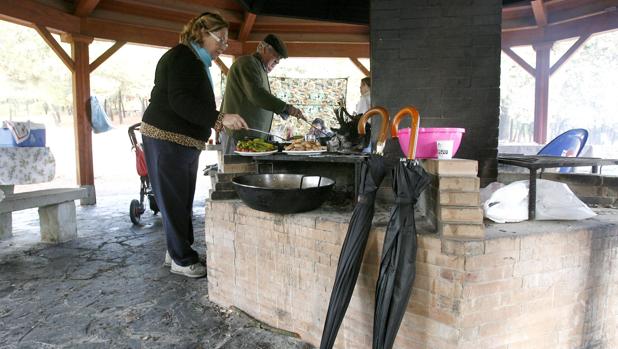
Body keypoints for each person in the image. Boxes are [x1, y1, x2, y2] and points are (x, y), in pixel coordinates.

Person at [140, 12, 248, 278]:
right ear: (202, 33)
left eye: (226, 41)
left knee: (180, 199)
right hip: (166, 136)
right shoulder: (181, 57)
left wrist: (215, 122)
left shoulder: (195, 61)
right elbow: (180, 101)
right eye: (220, 39)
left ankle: (176, 251)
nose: (224, 46)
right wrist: (219, 118)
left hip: (183, 141)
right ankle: (182, 259)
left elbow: (191, 103)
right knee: (174, 199)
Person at [221, 34, 306, 154]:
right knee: (236, 171)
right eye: (275, 58)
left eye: (278, 61)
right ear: (263, 48)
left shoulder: (259, 69)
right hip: (238, 136)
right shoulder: (247, 63)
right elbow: (257, 94)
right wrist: (286, 108)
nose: (276, 62)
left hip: (250, 138)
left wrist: (285, 109)